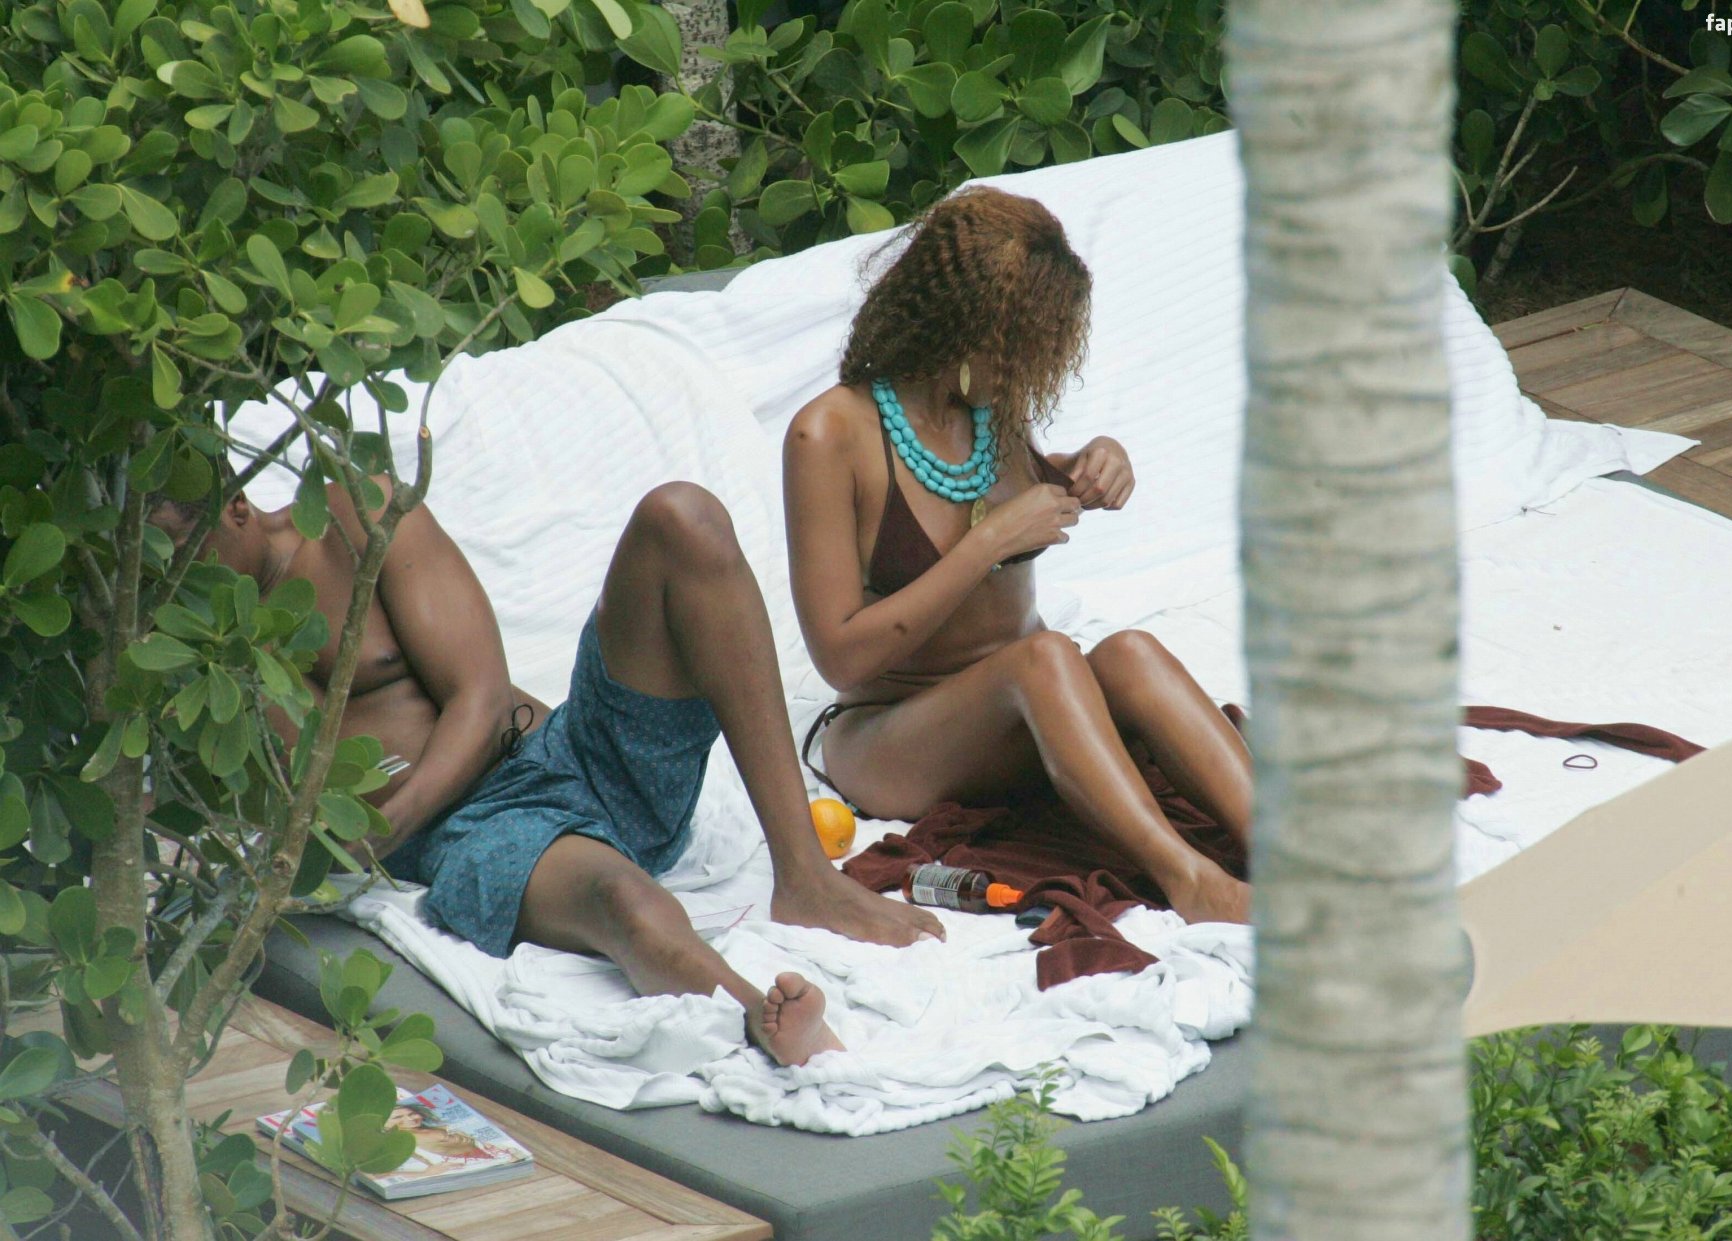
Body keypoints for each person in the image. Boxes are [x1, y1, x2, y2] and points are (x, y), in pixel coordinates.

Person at [153, 473, 941, 1066]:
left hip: (571, 750)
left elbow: (482, 695)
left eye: (184, 553)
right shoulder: (187, 654)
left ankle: (803, 874)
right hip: (482, 832)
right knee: (623, 901)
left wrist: (382, 824)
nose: (176, 580)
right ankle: (761, 1018)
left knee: (682, 516)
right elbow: (285, 801)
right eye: (157, 569)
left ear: (235, 506)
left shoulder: (357, 512)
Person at [782, 186, 1251, 926]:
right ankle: (1193, 881)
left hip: (1027, 718)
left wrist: (1090, 464)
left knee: (1129, 652)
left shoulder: (988, 404)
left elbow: (991, 486)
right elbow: (840, 655)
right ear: (961, 325)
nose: (1035, 368)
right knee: (1047, 658)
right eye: (1024, 347)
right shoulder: (829, 435)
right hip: (893, 734)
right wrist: (990, 542)